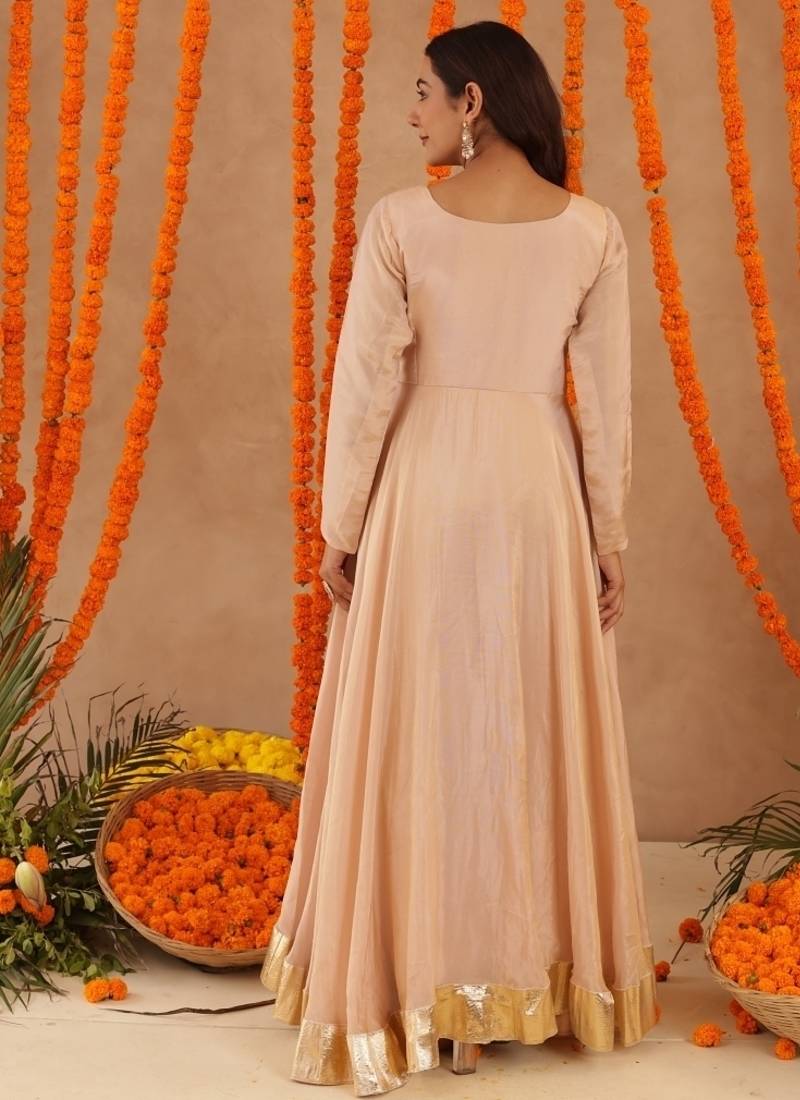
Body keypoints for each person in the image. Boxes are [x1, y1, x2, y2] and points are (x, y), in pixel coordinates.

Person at [261, 19, 658, 1097]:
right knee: (518, 725)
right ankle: (501, 986)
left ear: (473, 100)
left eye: (423, 93)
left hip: (426, 485)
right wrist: (607, 536)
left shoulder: (401, 222)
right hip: (536, 493)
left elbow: (363, 389)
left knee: (420, 726)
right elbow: (604, 405)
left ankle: (418, 981)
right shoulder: (592, 230)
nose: (412, 113)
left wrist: (341, 524)